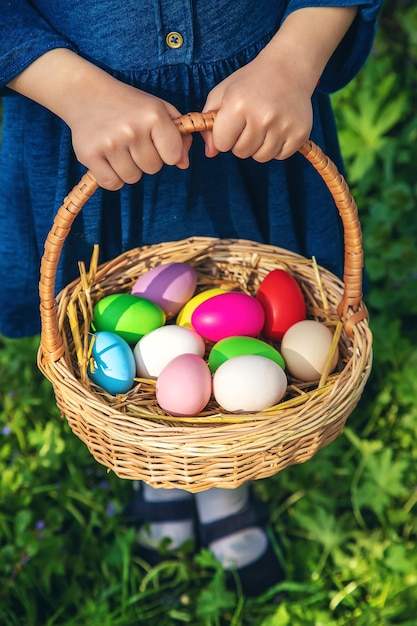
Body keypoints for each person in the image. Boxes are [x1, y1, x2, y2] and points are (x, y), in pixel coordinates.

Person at [0, 0, 381, 596]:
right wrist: (70, 88)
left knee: (247, 296)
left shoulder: (281, 73)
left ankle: (225, 471)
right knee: (120, 303)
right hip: (81, 115)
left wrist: (294, 57)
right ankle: (158, 467)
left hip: (258, 105)